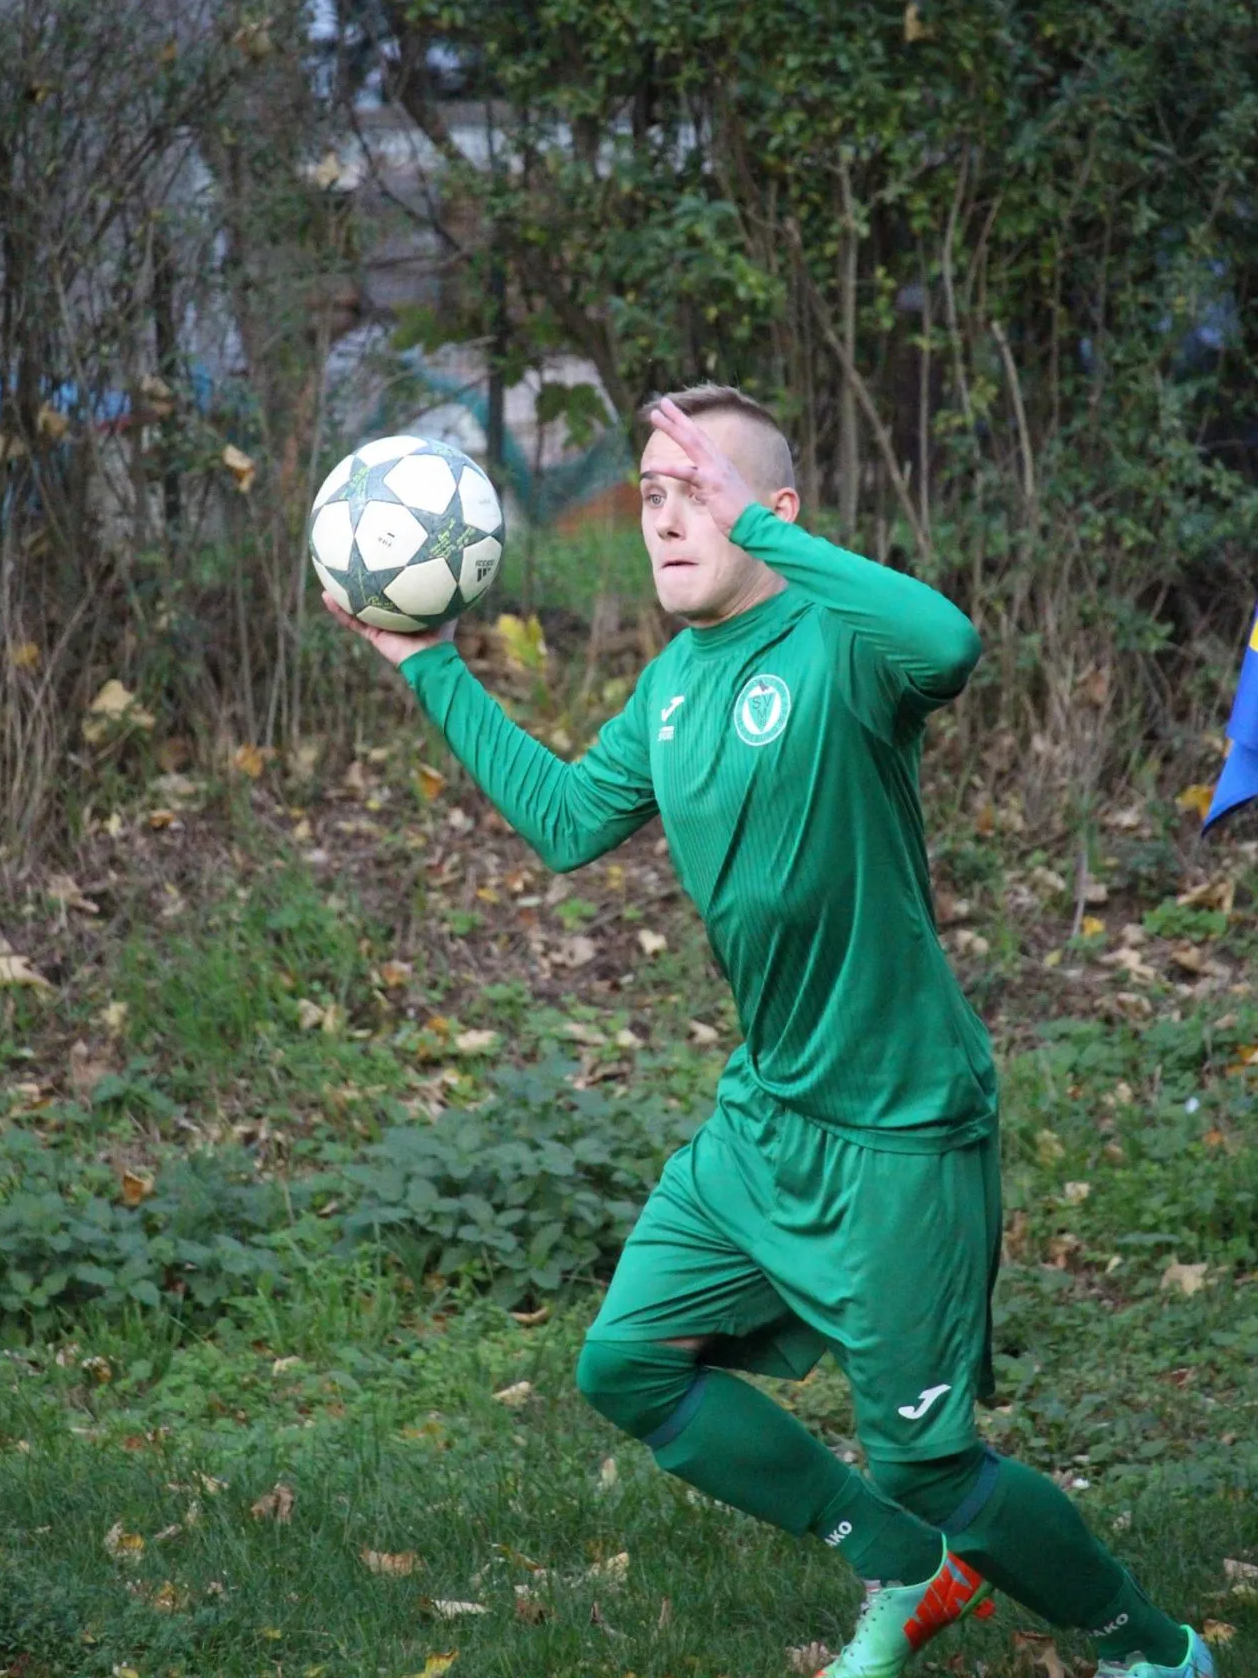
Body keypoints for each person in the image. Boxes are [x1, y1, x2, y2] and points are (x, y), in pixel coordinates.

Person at [326, 384, 1213, 1678]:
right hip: (769, 1118)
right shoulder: (671, 689)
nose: (664, 518)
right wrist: (430, 664)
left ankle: (1156, 1650)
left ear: (771, 511)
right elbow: (566, 824)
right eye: (650, 494)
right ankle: (905, 1564)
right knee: (626, 1364)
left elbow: (951, 643)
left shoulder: (842, 643)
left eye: (697, 492)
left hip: (902, 1121)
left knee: (930, 1457)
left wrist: (769, 535)